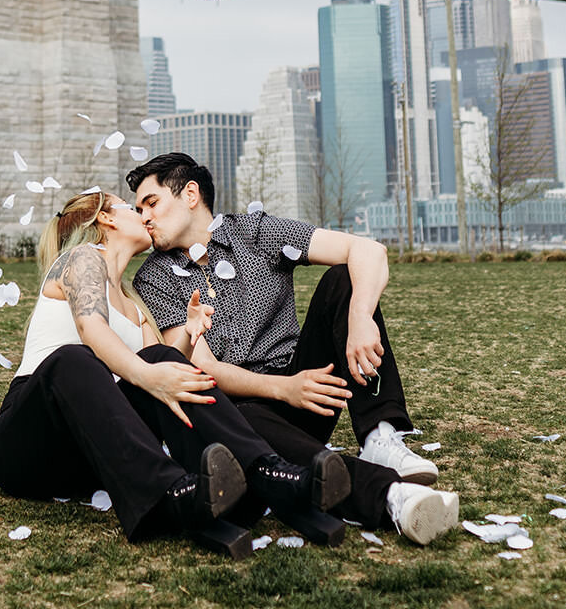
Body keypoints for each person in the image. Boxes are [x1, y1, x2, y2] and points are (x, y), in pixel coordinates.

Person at [0, 189, 351, 557]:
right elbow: (91, 331)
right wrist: (146, 375)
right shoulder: (79, 260)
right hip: (26, 444)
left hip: (91, 455)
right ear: (107, 219)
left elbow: (157, 380)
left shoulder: (133, 305)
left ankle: (265, 472)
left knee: (161, 355)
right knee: (75, 359)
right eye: (132, 208)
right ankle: (174, 494)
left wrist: (189, 339)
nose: (144, 216)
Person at [127, 153, 459, 546]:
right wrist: (282, 389)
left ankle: (380, 438)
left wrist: (360, 318)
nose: (144, 217)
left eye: (152, 203)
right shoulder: (154, 278)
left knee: (343, 279)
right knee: (238, 412)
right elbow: (205, 369)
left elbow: (368, 251)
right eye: (138, 210)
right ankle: (394, 497)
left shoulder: (255, 233)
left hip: (310, 388)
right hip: (240, 414)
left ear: (191, 194)